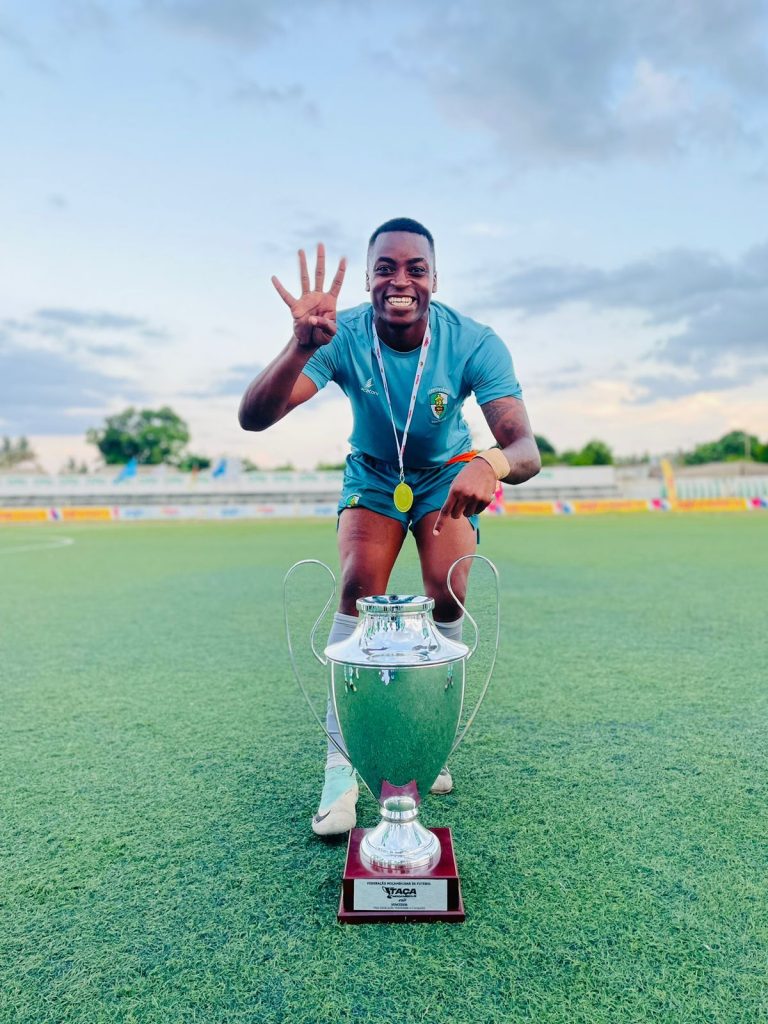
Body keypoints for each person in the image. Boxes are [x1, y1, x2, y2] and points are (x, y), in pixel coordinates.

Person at [239, 217, 540, 836]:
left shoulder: (474, 342)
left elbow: (526, 449)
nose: (400, 281)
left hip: (446, 473)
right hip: (375, 474)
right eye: (385, 268)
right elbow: (254, 419)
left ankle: (431, 743)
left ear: (435, 279)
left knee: (449, 590)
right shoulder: (340, 333)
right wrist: (299, 346)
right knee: (358, 587)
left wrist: (490, 462)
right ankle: (339, 770)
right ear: (369, 279)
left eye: (415, 269)